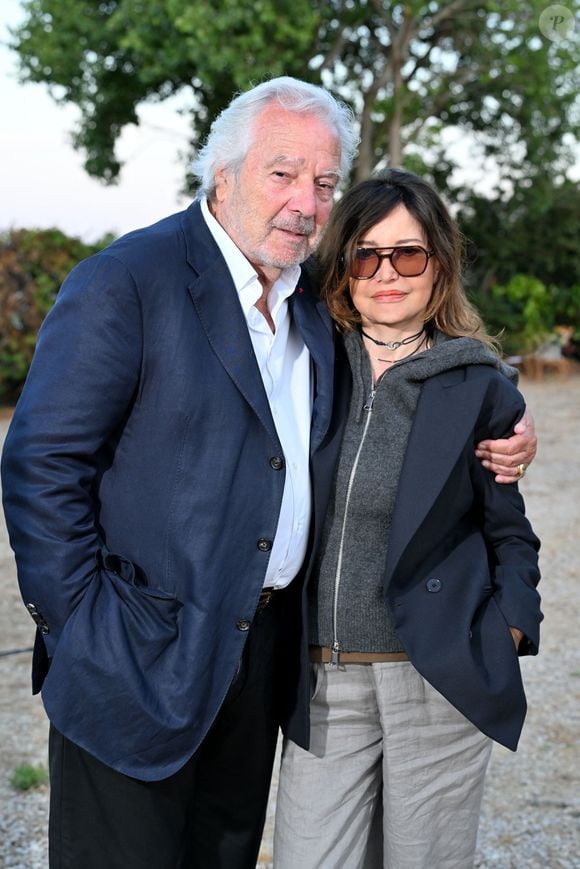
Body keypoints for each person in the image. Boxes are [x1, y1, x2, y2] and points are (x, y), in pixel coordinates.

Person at [1, 78, 534, 868]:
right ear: (223, 173)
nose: (305, 203)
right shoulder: (131, 278)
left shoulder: (311, 300)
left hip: (260, 664)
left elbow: (412, 365)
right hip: (134, 658)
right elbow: (42, 462)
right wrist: (82, 625)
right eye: (282, 173)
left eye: (323, 182)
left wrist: (509, 418)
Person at [274, 170, 542, 869]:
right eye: (366, 255)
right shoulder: (307, 363)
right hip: (324, 680)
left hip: (436, 679)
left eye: (408, 254)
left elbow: (509, 531)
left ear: (439, 264)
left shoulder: (480, 387)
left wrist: (509, 628)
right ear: (343, 267)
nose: (386, 273)